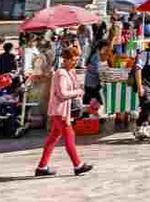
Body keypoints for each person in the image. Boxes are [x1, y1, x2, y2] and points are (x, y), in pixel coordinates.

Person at [35, 46, 93, 177]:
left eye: (77, 59)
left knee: (53, 138)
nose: (75, 62)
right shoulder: (61, 73)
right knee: (69, 136)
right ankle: (77, 165)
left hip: (61, 111)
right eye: (72, 59)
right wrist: (77, 92)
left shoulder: (70, 72)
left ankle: (42, 167)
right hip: (60, 111)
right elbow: (62, 93)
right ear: (65, 59)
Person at [83, 40, 108, 109]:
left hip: (90, 82)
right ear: (100, 48)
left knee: (88, 100)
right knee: (98, 100)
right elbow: (97, 70)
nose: (106, 51)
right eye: (105, 49)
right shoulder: (96, 56)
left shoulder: (95, 54)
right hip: (92, 83)